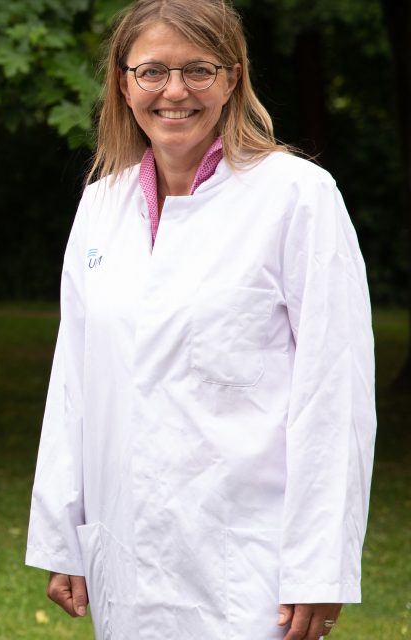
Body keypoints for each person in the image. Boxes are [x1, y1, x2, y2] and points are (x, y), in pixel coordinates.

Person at [25, 1, 377, 638]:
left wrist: (320, 565)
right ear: (123, 82)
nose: (175, 92)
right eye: (153, 71)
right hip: (127, 545)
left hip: (250, 555)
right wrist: (60, 533)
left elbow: (336, 394)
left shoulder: (297, 196)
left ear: (234, 78)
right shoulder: (101, 204)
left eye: (199, 70)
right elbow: (73, 382)